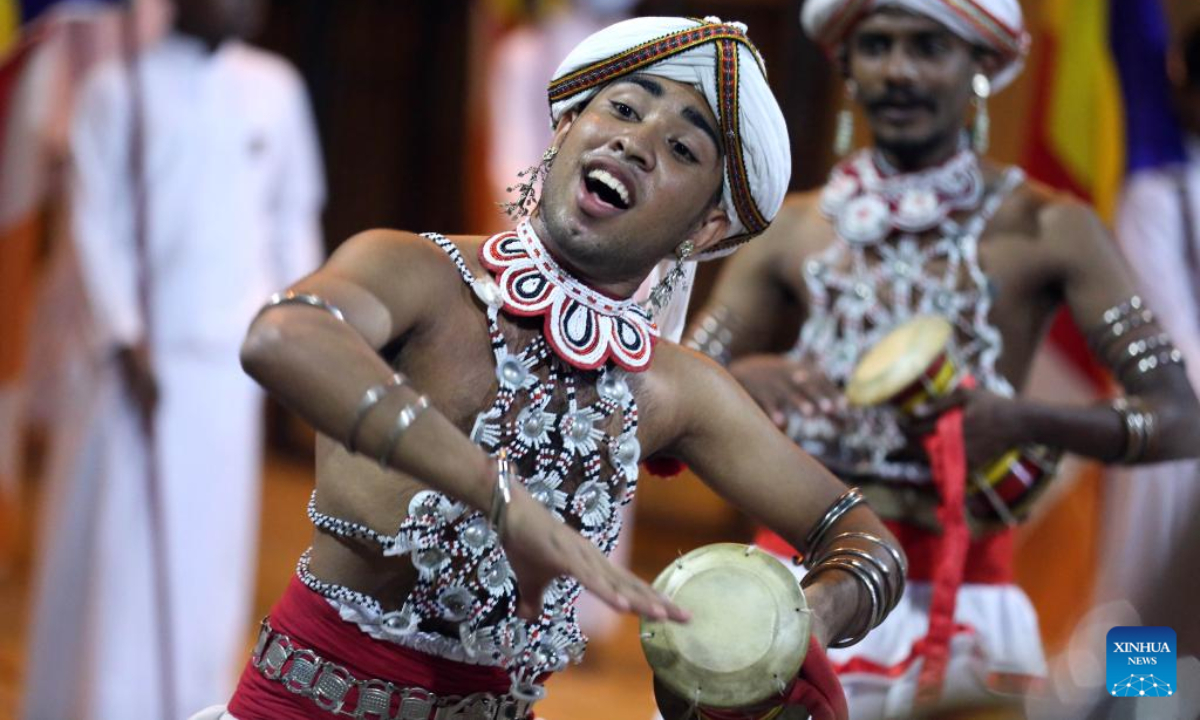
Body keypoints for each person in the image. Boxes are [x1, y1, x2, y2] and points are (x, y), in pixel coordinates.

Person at [194, 16, 907, 720]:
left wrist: (790, 624)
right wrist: (497, 496)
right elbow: (282, 338)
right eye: (623, 109)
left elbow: (862, 539)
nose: (636, 141)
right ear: (566, 127)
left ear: (705, 228)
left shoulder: (672, 388)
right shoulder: (416, 272)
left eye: (683, 150)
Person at [684, 1, 1200, 717]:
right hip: (792, 595)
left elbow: (1180, 419)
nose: (899, 70)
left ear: (983, 66)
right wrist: (739, 381)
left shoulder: (1050, 227)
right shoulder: (793, 231)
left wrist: (1022, 419)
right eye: (877, 47)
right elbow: (666, 387)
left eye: (929, 46)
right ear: (847, 67)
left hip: (966, 609)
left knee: (1154, 666)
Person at [20, 0, 325, 717]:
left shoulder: (275, 89)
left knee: (206, 564)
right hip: (131, 374)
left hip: (230, 371)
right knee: (116, 565)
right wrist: (125, 338)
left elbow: (292, 219)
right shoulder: (115, 89)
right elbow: (97, 225)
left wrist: (300, 334)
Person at [1095, 21, 1200, 613]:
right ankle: (1141, 700)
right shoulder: (1156, 194)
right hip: (1173, 420)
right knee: (1142, 588)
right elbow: (1169, 333)